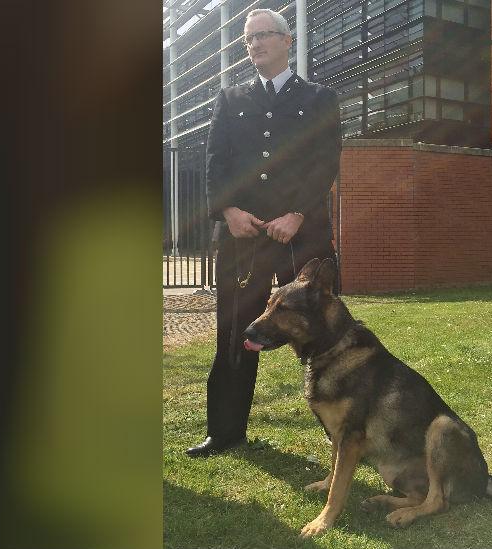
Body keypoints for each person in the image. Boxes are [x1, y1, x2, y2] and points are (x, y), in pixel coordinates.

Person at [186, 8, 341, 457]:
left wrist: (298, 213)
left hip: (304, 235)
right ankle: (225, 431)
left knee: (325, 331)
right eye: (248, 39)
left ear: (288, 41)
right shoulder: (229, 99)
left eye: (264, 36)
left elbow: (324, 161)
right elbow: (215, 164)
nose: (254, 44)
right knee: (236, 331)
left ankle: (347, 430)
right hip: (243, 239)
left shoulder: (319, 98)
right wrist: (229, 211)